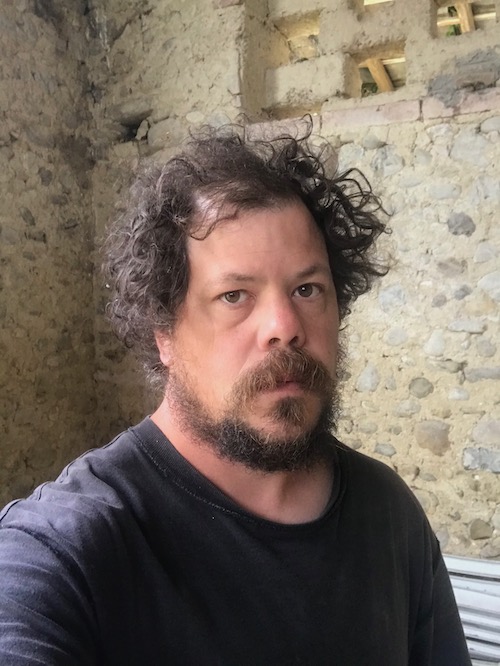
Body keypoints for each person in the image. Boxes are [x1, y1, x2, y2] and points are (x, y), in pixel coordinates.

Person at [0, 124, 471, 665]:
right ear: (164, 333)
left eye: (307, 289)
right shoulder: (65, 552)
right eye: (234, 296)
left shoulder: (387, 514)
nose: (284, 326)